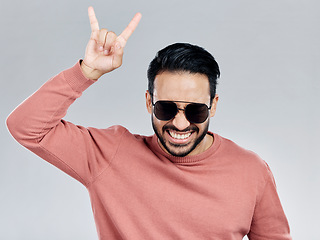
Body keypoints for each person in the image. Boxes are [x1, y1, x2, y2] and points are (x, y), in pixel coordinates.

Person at [6, 6, 292, 240]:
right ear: (148, 102)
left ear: (213, 106)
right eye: (166, 108)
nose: (180, 124)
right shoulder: (109, 154)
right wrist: (87, 72)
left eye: (195, 112)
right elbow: (25, 126)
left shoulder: (251, 171)